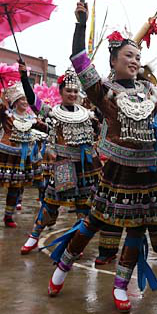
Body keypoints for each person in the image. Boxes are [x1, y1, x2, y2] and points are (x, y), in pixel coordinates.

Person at [46, 2, 157, 313]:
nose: (134, 61)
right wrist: (81, 23)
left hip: (148, 172)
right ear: (113, 61)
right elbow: (79, 59)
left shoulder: (150, 90)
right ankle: (62, 267)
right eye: (128, 56)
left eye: (137, 57)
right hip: (117, 170)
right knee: (93, 222)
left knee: (137, 229)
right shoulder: (103, 91)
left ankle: (120, 285)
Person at [18, 66, 102, 254]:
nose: (72, 94)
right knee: (51, 203)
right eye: (68, 91)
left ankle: (76, 243)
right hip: (64, 164)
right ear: (61, 92)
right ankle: (34, 236)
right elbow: (33, 101)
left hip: (86, 166)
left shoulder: (88, 114)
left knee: (83, 207)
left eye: (75, 91)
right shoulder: (52, 112)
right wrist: (24, 78)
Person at [0, 72, 46, 228]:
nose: (25, 102)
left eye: (26, 99)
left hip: (22, 158)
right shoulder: (7, 114)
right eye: (22, 99)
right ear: (15, 102)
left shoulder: (32, 119)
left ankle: (8, 216)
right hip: (4, 155)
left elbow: (45, 128)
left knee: (15, 187)